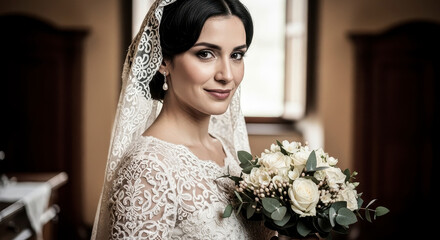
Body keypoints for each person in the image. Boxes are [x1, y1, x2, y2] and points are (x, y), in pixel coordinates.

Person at [91, 0, 275, 239]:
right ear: (163, 60)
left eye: (237, 55)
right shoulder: (148, 170)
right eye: (206, 54)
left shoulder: (225, 149)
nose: (227, 75)